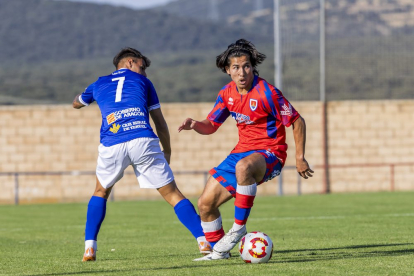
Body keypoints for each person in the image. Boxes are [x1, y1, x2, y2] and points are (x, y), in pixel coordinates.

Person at [178, 39, 314, 261]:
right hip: (241, 152)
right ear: (227, 70)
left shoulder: (267, 92)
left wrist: (300, 158)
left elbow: (297, 121)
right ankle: (219, 252)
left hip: (271, 152)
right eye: (236, 67)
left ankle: (239, 227)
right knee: (205, 204)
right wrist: (195, 125)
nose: (242, 72)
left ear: (252, 67)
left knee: (244, 168)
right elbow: (211, 125)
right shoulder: (226, 94)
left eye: (246, 66)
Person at [73, 47, 211, 262]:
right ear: (130, 62)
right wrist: (168, 152)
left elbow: (76, 103)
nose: (145, 73)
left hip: (112, 142)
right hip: (142, 139)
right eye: (142, 67)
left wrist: (85, 98)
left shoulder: (98, 83)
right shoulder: (144, 83)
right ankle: (203, 241)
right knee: (173, 194)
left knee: (100, 192)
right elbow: (160, 123)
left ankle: (89, 248)